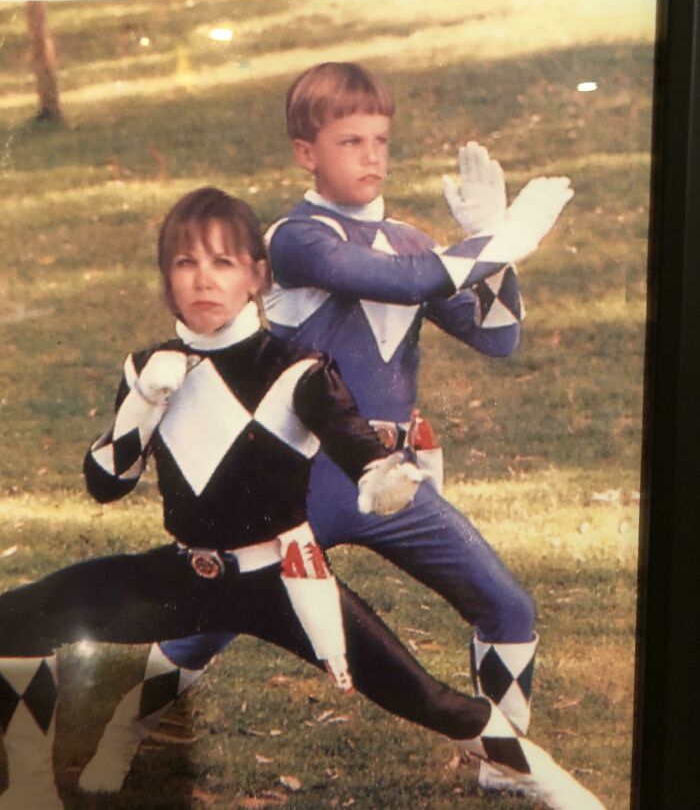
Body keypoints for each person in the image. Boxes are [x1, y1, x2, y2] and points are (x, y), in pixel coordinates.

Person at [0, 187, 603, 810]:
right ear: (165, 280)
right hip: (185, 576)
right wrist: (144, 405)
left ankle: (561, 787)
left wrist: (383, 478)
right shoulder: (147, 366)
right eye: (185, 263)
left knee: (431, 700)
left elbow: (359, 449)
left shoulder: (299, 369)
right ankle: (29, 789)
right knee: (13, 620)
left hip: (284, 582)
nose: (203, 279)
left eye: (222, 262)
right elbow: (106, 484)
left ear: (257, 275)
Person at [79, 63, 578, 799]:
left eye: (380, 139)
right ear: (305, 153)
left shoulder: (409, 240)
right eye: (350, 141)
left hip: (385, 478)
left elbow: (497, 336)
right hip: (300, 480)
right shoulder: (294, 239)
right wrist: (506, 239)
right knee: (203, 630)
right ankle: (119, 734)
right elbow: (409, 282)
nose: (371, 156)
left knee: (506, 605)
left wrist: (487, 245)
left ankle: (505, 764)